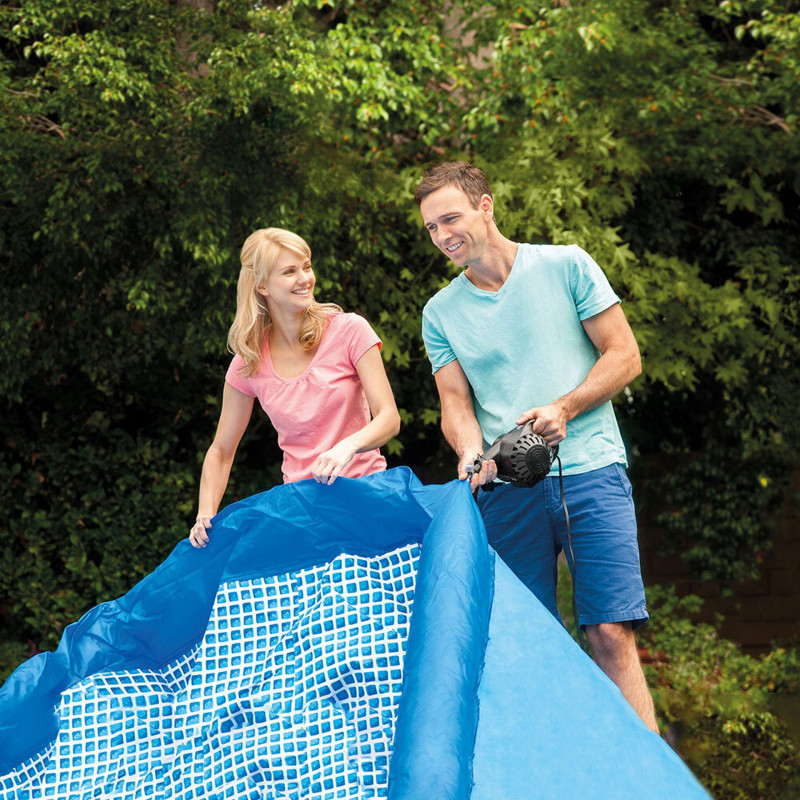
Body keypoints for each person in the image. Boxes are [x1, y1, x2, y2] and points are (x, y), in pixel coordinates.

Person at [414, 161, 659, 733]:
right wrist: (470, 452)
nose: (443, 235)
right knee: (528, 643)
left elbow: (625, 355)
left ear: (486, 206)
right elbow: (456, 404)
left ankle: (650, 772)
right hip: (508, 489)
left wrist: (564, 407)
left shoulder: (567, 265)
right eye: (431, 227)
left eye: (450, 218)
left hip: (591, 469)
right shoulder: (440, 313)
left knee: (610, 632)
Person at [189, 227, 400, 548]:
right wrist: (205, 514)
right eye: (289, 272)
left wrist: (348, 446)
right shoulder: (248, 363)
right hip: (303, 514)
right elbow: (221, 451)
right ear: (262, 286)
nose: (305, 278)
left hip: (366, 497)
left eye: (307, 267)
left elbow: (389, 418)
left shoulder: (350, 330)